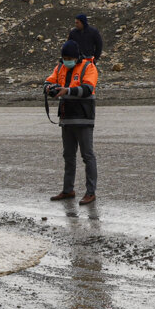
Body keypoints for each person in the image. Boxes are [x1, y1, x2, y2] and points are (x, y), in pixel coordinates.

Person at [45, 40, 99, 205]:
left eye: (69, 57)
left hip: (83, 118)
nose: (66, 60)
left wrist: (66, 91)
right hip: (66, 118)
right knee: (68, 156)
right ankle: (68, 190)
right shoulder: (60, 66)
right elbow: (49, 80)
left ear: (76, 57)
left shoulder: (88, 67)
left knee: (87, 155)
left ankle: (90, 192)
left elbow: (87, 88)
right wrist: (48, 88)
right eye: (64, 57)